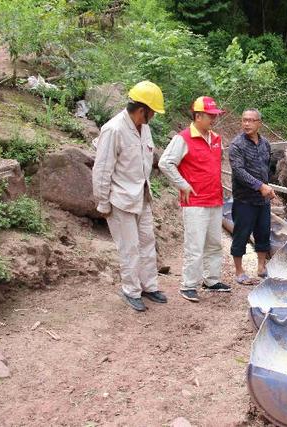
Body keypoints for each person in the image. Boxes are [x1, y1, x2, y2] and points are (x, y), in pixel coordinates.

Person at [92, 80, 167, 312]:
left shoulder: (144, 129)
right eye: (152, 112)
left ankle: (149, 285)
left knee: (147, 242)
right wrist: (102, 202)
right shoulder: (114, 129)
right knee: (129, 247)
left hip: (141, 197)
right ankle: (130, 290)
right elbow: (102, 169)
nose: (153, 116)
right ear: (142, 109)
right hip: (120, 200)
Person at [158, 96, 231, 302]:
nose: (213, 119)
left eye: (215, 116)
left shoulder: (216, 139)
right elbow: (166, 163)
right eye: (210, 116)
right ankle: (188, 284)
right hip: (195, 201)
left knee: (214, 243)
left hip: (215, 199)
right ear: (198, 116)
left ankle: (212, 279)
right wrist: (182, 184)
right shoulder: (183, 138)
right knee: (195, 245)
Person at [228, 109, 275, 284]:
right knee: (241, 233)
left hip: (263, 199)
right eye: (244, 120)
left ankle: (261, 267)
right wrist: (260, 186)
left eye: (251, 120)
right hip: (244, 199)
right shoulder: (237, 145)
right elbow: (239, 171)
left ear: (259, 123)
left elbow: (266, 168)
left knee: (263, 232)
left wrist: (268, 187)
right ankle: (239, 271)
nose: (247, 123)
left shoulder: (265, 144)